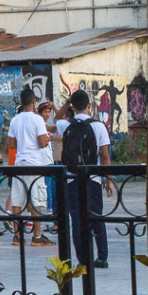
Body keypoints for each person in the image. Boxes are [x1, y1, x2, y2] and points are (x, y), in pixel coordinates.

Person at [57, 89, 114, 267]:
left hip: (72, 178)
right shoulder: (98, 126)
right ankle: (102, 257)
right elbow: (104, 156)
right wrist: (109, 179)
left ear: (73, 107)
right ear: (89, 105)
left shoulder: (66, 125)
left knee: (76, 219)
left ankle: (83, 259)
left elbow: (56, 118)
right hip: (93, 178)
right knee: (96, 216)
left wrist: (67, 103)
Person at [7, 87, 55, 247]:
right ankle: (37, 235)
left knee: (17, 200)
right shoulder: (37, 120)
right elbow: (42, 143)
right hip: (35, 164)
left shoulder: (15, 120)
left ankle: (17, 236)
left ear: (21, 102)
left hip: (19, 163)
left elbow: (11, 144)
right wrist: (48, 140)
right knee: (36, 199)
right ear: (33, 102)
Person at [37, 103, 60, 232]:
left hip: (49, 161)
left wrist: (56, 108)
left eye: (48, 112)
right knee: (48, 192)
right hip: (43, 163)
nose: (47, 114)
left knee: (52, 191)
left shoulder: (45, 126)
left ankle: (54, 219)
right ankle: (51, 218)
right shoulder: (40, 125)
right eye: (44, 112)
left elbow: (58, 126)